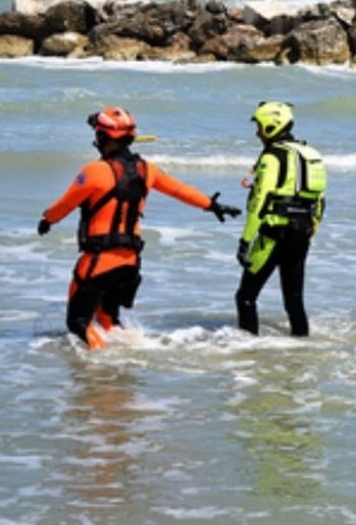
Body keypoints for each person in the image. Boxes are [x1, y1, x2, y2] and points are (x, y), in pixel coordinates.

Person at [37, 107, 241, 350]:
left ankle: (102, 368)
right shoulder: (148, 169)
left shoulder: (94, 171)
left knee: (78, 323)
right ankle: (129, 356)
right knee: (108, 319)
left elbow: (64, 205)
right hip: (130, 262)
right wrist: (213, 205)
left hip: (99, 260)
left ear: (102, 139)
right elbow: (179, 190)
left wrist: (47, 220)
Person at [235, 101, 327, 337]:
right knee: (294, 300)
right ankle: (301, 349)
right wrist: (311, 229)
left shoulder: (272, 157)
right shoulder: (310, 153)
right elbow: (319, 200)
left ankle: (248, 351)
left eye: (260, 127)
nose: (257, 133)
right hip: (302, 233)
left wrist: (245, 241)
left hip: (274, 234)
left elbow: (259, 201)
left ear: (272, 126)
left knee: (245, 297)